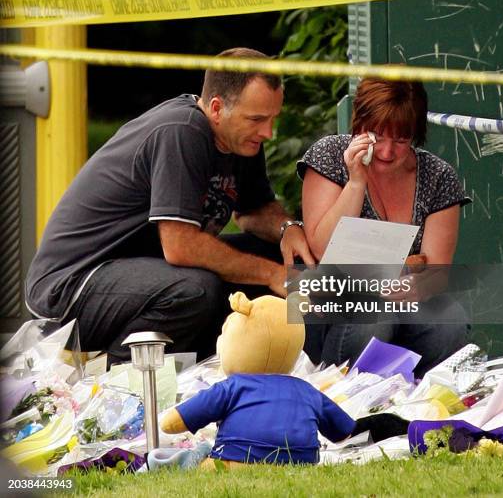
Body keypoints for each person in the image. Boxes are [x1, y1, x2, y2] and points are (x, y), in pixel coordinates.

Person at [25, 47, 315, 364]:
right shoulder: (183, 131)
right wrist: (272, 274)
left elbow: (253, 212)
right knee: (196, 290)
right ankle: (118, 382)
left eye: (273, 119)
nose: (268, 132)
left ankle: (327, 359)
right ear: (217, 109)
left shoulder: (241, 138)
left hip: (143, 275)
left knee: (279, 258)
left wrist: (289, 230)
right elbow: (181, 247)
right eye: (257, 119)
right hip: (69, 288)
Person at [297, 77, 471, 377]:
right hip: (329, 303)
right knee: (376, 312)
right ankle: (343, 399)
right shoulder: (330, 155)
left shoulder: (438, 176)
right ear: (359, 123)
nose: (387, 152)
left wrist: (419, 285)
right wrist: (355, 182)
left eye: (402, 140)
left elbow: (437, 272)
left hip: (400, 300)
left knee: (451, 318)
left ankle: (415, 398)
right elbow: (322, 250)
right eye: (376, 136)